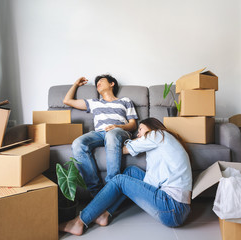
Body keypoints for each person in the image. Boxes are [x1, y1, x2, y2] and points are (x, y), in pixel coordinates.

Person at [59, 117, 192, 235]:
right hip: (177, 207)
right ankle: (105, 214)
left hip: (172, 207)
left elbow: (122, 150)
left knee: (119, 180)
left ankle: (79, 222)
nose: (138, 134)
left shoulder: (156, 134)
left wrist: (111, 140)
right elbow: (152, 181)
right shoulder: (165, 139)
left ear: (151, 126)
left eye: (140, 129)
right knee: (131, 171)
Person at [63, 74, 138, 196]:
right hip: (99, 134)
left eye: (101, 81)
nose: (98, 83)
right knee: (77, 143)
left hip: (120, 132)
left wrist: (118, 127)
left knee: (111, 134)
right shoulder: (94, 103)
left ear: (112, 84)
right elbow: (67, 101)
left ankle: (112, 187)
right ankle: (97, 192)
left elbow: (133, 125)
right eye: (97, 83)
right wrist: (76, 84)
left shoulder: (125, 101)